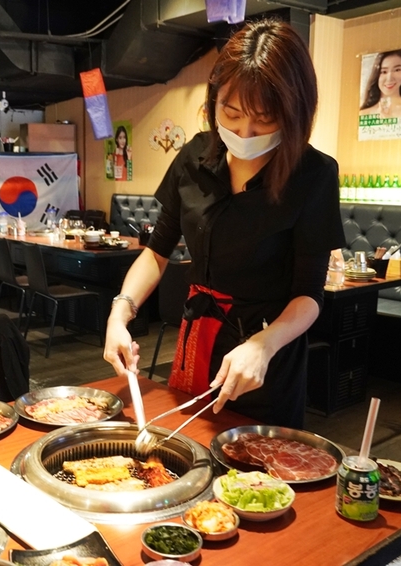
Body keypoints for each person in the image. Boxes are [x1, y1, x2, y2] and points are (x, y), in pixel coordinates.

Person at [103, 18, 345, 429]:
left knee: (255, 472)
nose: (244, 132)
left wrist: (263, 347)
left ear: (293, 114)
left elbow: (309, 295)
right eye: (230, 113)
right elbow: (157, 251)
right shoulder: (194, 156)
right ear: (213, 99)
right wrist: (119, 314)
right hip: (199, 338)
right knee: (186, 451)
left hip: (265, 356)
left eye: (264, 120)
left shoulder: (314, 175)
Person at [359, 49, 401, 119]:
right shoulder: (363, 114)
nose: (389, 78)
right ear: (376, 74)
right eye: (384, 72)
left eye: (397, 70)